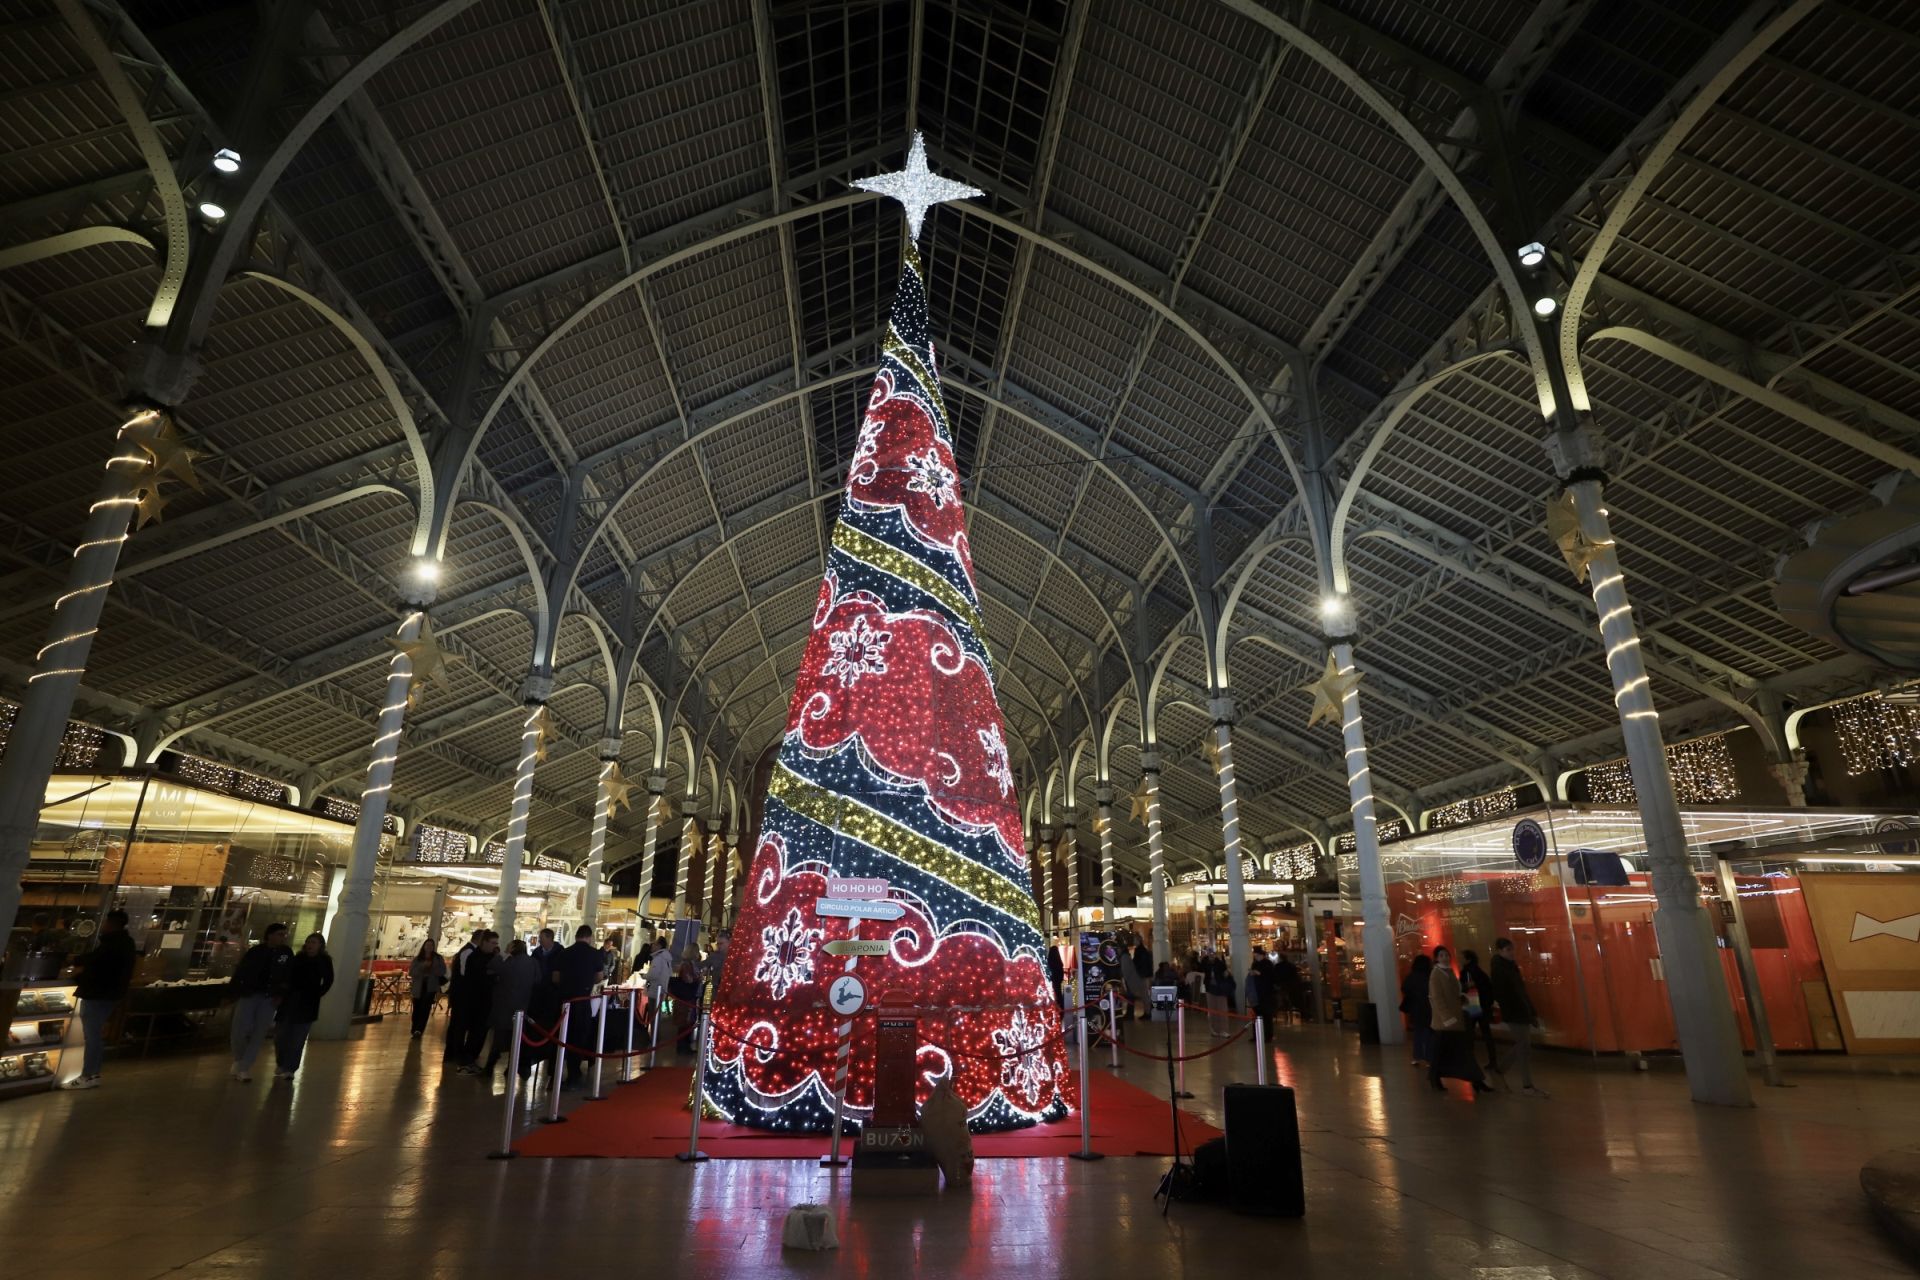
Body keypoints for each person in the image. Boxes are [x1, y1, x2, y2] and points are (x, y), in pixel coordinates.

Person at [62, 909, 135, 1090]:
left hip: (97, 994)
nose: (102, 926)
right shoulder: (127, 944)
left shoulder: (110, 945)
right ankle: (92, 1074)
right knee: (94, 1035)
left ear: (111, 924)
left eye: (104, 923)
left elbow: (97, 967)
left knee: (92, 1035)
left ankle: (89, 1075)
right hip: (111, 995)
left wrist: (77, 968)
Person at [229, 923, 292, 1082]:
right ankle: (239, 1059)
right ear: (269, 935)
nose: (283, 937)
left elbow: (288, 975)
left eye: (284, 935)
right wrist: (233, 992)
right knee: (240, 1029)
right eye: (280, 934)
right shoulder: (256, 952)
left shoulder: (286, 953)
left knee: (259, 1032)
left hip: (269, 997)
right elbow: (242, 971)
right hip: (250, 994)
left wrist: (281, 994)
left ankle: (244, 1066)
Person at [1490, 938, 1548, 1098]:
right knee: (1523, 1046)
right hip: (1514, 1012)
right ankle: (1526, 1085)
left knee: (1524, 1046)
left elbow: (1520, 991)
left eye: (1511, 949)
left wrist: (1529, 1010)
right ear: (1500, 951)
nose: (1511, 952)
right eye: (1508, 950)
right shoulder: (1500, 969)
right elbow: (1506, 993)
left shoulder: (1510, 966)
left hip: (1520, 1011)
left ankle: (1501, 1070)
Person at [1427, 946, 1488, 1094]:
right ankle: (1474, 1081)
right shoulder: (1436, 974)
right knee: (1448, 1053)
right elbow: (1437, 998)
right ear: (1436, 958)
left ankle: (1476, 1080)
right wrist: (1447, 1018)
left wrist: (1463, 997)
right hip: (1445, 1023)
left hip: (1455, 1020)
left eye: (1447, 955)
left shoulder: (1448, 972)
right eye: (1441, 956)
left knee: (1460, 1052)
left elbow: (1453, 993)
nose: (1445, 958)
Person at [273, 933, 334, 1079]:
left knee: (298, 1038)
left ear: (320, 945)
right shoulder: (298, 958)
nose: (309, 945)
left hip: (307, 1003)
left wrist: (317, 994)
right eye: (308, 942)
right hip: (290, 1000)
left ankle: (290, 1067)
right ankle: (282, 1062)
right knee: (281, 1035)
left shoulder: (324, 961)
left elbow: (328, 980)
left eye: (313, 942)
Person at [554, 925, 607, 1086]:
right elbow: (599, 977)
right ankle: (574, 1072)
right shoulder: (594, 954)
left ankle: (555, 1074)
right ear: (590, 937)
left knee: (563, 1036)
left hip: (564, 1001)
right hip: (582, 1000)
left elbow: (555, 978)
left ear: (576, 936)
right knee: (579, 1036)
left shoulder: (564, 953)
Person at [485, 938, 542, 1074]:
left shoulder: (509, 961)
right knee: (516, 1040)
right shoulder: (533, 963)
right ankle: (511, 1068)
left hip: (504, 1006)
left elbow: (492, 966)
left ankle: (489, 1068)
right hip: (522, 1006)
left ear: (513, 949)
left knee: (499, 1039)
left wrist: (503, 954)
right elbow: (538, 980)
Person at [454, 932, 500, 1072]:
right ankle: (467, 1059)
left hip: (486, 1001)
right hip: (474, 1001)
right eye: (493, 943)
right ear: (484, 942)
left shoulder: (490, 957)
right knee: (475, 1031)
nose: (495, 946)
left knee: (481, 1032)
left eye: (496, 943)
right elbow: (478, 978)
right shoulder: (475, 957)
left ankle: (471, 1058)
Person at [443, 930, 484, 1060]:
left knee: (459, 1024)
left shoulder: (469, 951)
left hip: (462, 993)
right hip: (462, 994)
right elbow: (464, 973)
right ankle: (454, 1051)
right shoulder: (469, 952)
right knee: (458, 1024)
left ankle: (453, 1051)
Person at [1459, 948, 1498, 1075]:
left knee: (1470, 1035)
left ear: (1468, 959)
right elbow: (1488, 987)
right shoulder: (1479, 971)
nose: (1461, 960)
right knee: (1486, 1034)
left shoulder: (1466, 972)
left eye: (1463, 957)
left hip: (1472, 1005)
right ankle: (1493, 1060)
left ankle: (1469, 1060)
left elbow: (1465, 988)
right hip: (1483, 1005)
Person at [408, 939, 448, 1037]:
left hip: (430, 986)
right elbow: (411, 972)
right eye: (427, 945)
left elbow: (442, 971)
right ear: (424, 946)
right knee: (417, 1008)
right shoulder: (418, 959)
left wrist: (433, 969)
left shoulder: (438, 958)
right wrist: (422, 966)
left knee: (425, 1008)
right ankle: (414, 1027)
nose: (429, 947)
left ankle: (419, 1030)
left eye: (431, 945)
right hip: (419, 986)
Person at [1400, 954, 1434, 1067]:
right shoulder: (1429, 976)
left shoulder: (1411, 976)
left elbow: (1404, 988)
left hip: (1415, 1008)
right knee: (1428, 1033)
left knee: (1418, 1033)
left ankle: (1417, 1057)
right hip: (1428, 1007)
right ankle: (1429, 1057)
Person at [1045, 939, 1065, 1009]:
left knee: (1053, 993)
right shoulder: (1059, 963)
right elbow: (1061, 974)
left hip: (1052, 980)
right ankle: (1060, 1006)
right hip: (1057, 981)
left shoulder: (1050, 962)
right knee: (1058, 993)